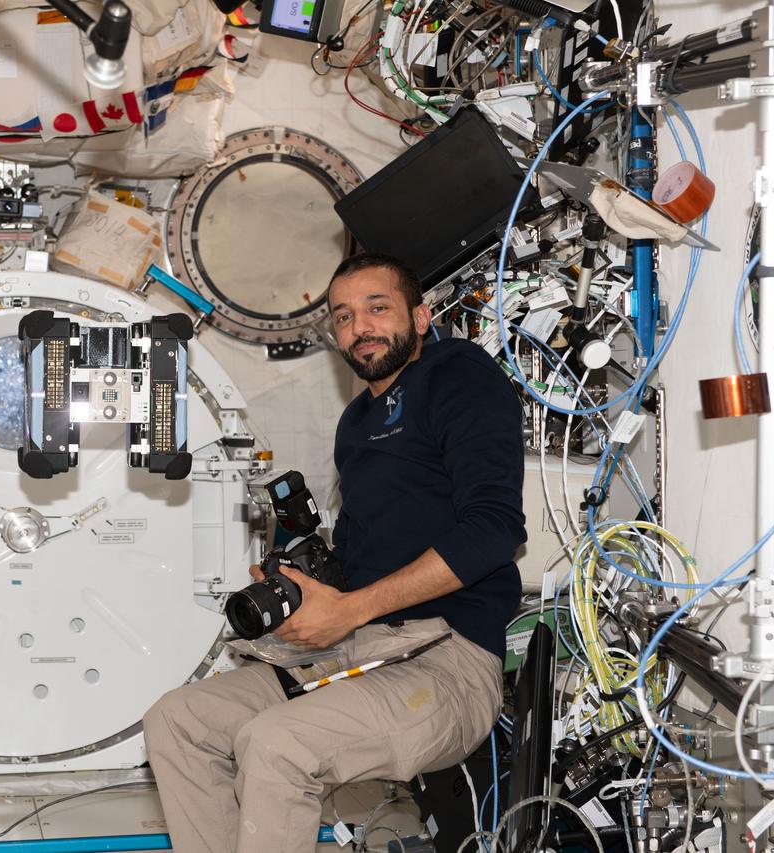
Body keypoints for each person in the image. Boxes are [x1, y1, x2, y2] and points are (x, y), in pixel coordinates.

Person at [142, 252, 526, 852]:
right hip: (359, 648)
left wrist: (349, 609)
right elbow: (356, 554)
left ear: (421, 317)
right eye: (344, 317)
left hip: (448, 659)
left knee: (277, 745)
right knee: (177, 722)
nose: (360, 327)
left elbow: (494, 529)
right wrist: (306, 587)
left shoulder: (459, 374)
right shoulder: (356, 422)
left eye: (378, 308)